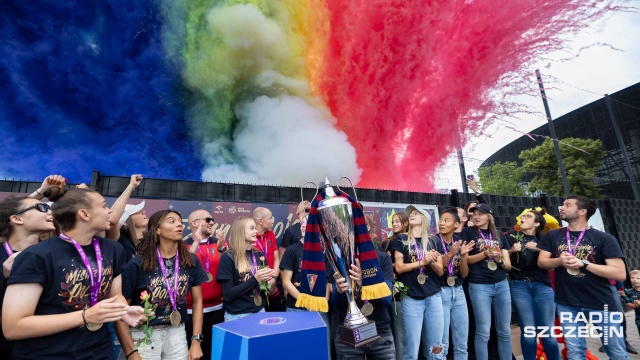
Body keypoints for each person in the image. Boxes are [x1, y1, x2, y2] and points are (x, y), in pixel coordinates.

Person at [2, 187, 146, 359]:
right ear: (84, 214)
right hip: (47, 354)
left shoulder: (113, 249)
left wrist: (123, 310)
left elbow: (115, 295)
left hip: (99, 352)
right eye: (103, 206)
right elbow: (13, 327)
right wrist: (85, 316)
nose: (109, 211)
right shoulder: (36, 256)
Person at [538, 195, 629, 360]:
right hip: (567, 303)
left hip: (601, 303)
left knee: (616, 351)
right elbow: (542, 262)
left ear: (582, 211)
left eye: (567, 205)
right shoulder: (552, 236)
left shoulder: (604, 238)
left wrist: (584, 264)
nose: (561, 207)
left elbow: (619, 273)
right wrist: (559, 260)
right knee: (575, 352)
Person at [116, 210, 207, 360]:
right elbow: (120, 312)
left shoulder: (190, 260)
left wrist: (196, 340)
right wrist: (131, 352)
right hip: (144, 335)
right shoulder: (138, 264)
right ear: (157, 229)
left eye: (179, 221)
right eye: (172, 221)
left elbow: (197, 301)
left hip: (177, 333)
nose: (179, 224)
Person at [0, 195, 57, 359]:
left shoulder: (56, 256)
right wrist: (9, 281)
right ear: (16, 219)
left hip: (48, 349)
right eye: (42, 208)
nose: (50, 212)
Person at [461, 203, 512, 360]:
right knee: (483, 331)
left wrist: (498, 259)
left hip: (502, 283)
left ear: (489, 216)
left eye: (480, 214)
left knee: (504, 330)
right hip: (479, 285)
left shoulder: (499, 235)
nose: (476, 216)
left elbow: (508, 265)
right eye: (474, 213)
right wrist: (484, 254)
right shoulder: (468, 232)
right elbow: (466, 260)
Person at [506, 209, 559, 360]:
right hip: (519, 285)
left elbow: (552, 265)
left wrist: (539, 250)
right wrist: (510, 251)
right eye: (523, 216)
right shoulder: (510, 236)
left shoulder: (545, 239)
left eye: (528, 216)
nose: (523, 217)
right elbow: (502, 260)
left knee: (548, 332)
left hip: (542, 285)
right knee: (528, 330)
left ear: (536, 223)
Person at [393, 205, 444, 360]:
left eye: (416, 213)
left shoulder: (434, 241)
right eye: (411, 214)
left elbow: (440, 270)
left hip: (434, 297)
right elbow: (400, 268)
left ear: (425, 219)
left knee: (436, 345)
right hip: (411, 298)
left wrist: (431, 261)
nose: (412, 215)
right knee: (412, 346)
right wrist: (423, 261)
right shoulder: (401, 239)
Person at [280, 215, 331, 351]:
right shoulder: (291, 250)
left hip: (319, 309)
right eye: (302, 222)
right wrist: (305, 301)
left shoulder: (325, 250)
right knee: (296, 350)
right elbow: (286, 282)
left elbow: (329, 280)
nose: (304, 225)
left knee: (322, 351)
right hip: (295, 309)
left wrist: (325, 298)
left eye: (309, 222)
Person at [333, 249, 396, 359]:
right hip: (348, 335)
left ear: (368, 230)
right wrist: (339, 291)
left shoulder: (382, 257)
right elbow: (336, 305)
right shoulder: (339, 259)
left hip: (380, 332)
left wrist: (365, 282)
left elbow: (387, 300)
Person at [185, 210, 225, 360]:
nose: (212, 223)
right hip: (190, 312)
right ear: (194, 223)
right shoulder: (183, 245)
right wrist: (195, 242)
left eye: (212, 219)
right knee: (192, 355)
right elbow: (185, 266)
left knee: (213, 353)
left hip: (217, 309)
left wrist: (221, 249)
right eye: (208, 220)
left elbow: (226, 270)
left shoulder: (218, 242)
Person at [436, 207, 475, 360]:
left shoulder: (459, 243)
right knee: (442, 342)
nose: (441, 223)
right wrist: (451, 253)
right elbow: (439, 270)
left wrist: (463, 256)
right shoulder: (433, 241)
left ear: (456, 224)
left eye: (446, 220)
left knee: (461, 343)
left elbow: (464, 274)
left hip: (458, 291)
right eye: (440, 220)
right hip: (440, 292)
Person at [216, 217, 272, 321]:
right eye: (251, 228)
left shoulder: (259, 255)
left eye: (255, 228)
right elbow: (228, 295)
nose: (256, 231)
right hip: (238, 316)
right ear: (240, 231)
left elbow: (263, 288)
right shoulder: (228, 257)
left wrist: (269, 282)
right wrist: (255, 279)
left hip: (260, 311)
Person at [383, 211, 409, 360]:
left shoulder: (414, 241)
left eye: (398, 221)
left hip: (417, 288)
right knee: (399, 331)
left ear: (406, 222)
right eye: (393, 222)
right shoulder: (387, 243)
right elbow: (384, 266)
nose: (394, 224)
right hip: (398, 288)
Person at [106, 174, 145, 262]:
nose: (144, 212)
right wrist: (131, 186)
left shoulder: (151, 239)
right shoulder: (120, 240)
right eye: (136, 212)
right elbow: (112, 219)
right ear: (125, 222)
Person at [252, 207, 283, 311]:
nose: (272, 221)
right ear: (261, 221)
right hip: (256, 292)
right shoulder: (249, 237)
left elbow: (276, 258)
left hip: (273, 289)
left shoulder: (270, 234)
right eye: (270, 218)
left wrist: (274, 279)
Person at [623, 270, 640, 339]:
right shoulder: (629, 292)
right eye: (632, 278)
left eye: (638, 278)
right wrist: (635, 305)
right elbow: (628, 303)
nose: (634, 280)